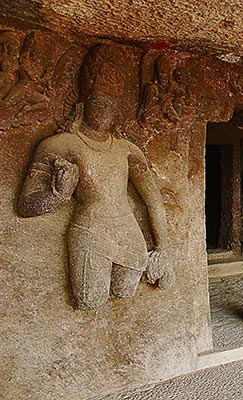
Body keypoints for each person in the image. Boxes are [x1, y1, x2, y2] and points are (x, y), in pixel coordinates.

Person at [18, 44, 174, 309]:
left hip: (127, 232)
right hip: (90, 229)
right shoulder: (60, 145)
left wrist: (164, 248)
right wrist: (59, 194)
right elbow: (24, 206)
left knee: (125, 292)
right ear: (81, 103)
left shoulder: (127, 150)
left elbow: (153, 201)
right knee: (91, 300)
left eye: (111, 106)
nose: (104, 111)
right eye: (98, 103)